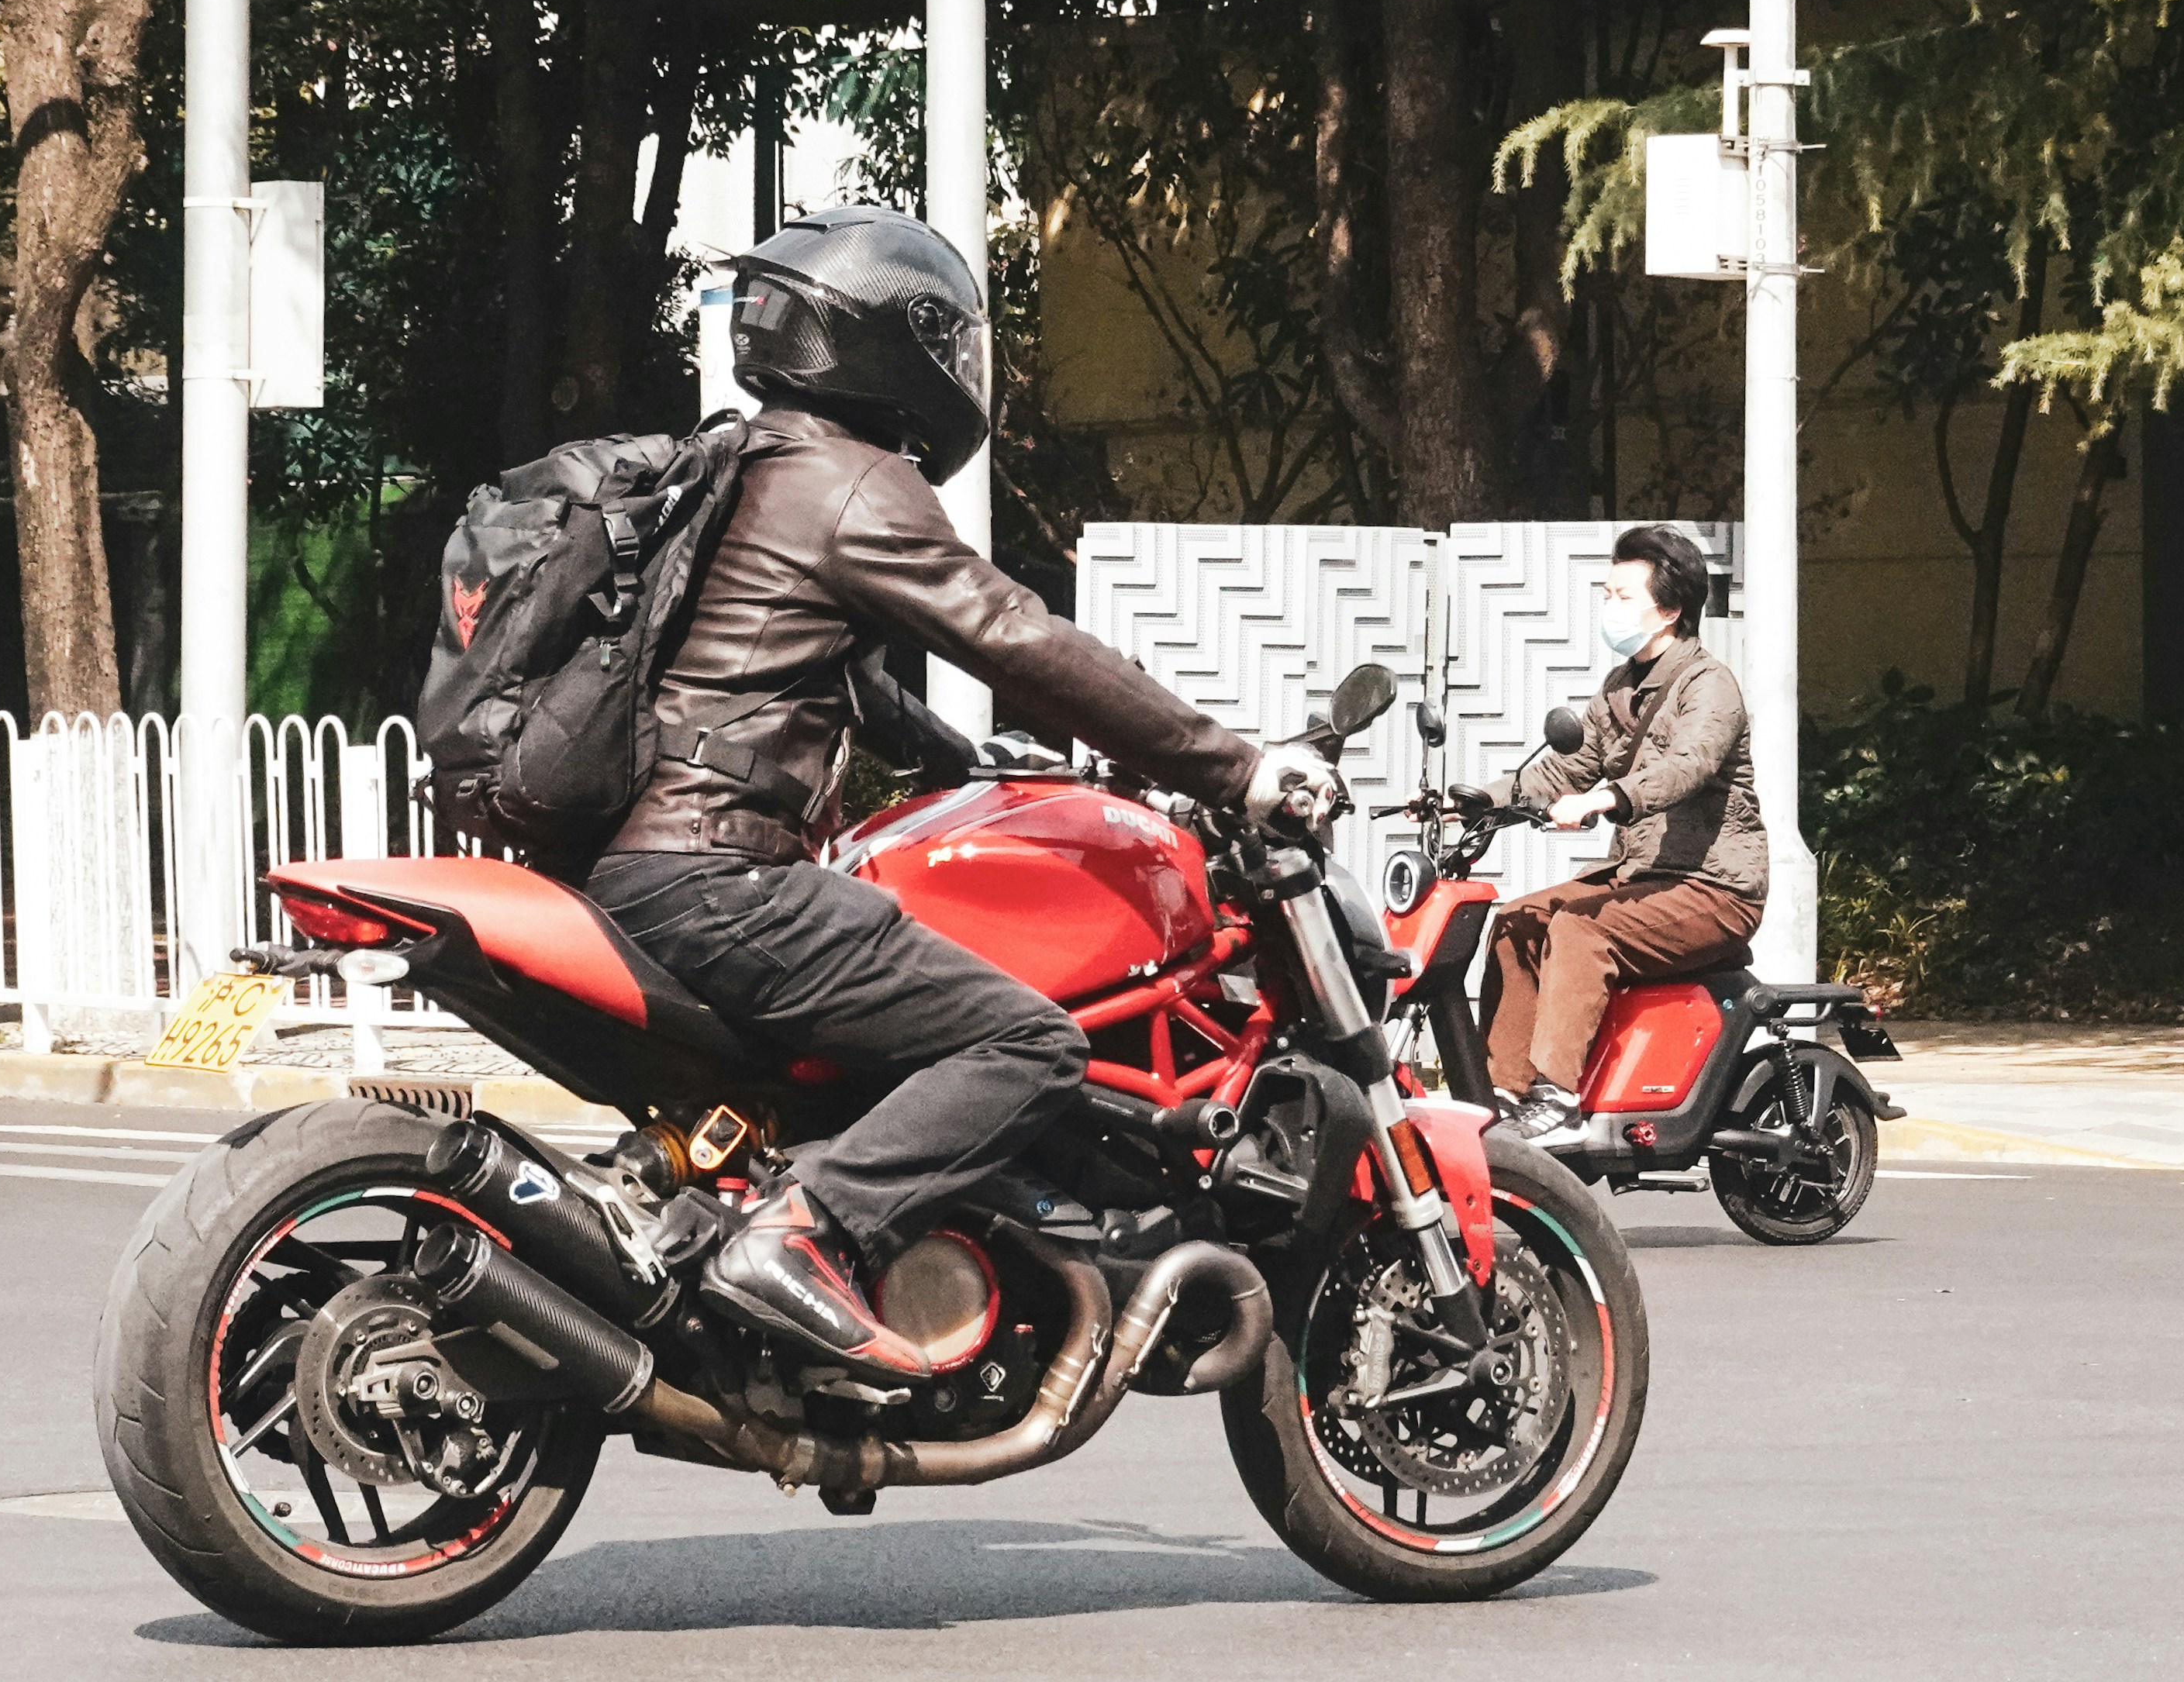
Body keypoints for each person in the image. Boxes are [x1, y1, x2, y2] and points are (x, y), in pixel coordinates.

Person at [589, 205, 1331, 1374]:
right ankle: (802, 1231)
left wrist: (965, 765)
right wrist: (1235, 765)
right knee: (1029, 1043)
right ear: (899, 341)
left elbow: (845, 682)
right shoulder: (852, 482)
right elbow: (1016, 638)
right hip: (720, 872)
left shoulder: (753, 467)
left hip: (646, 863)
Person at [1486, 524, 1770, 1146]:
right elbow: (1565, 766)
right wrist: (1477, 799)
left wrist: (1608, 798)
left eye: (1620, 595)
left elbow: (1686, 766)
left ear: (1669, 609)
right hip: (1643, 878)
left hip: (1714, 886)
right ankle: (1502, 1095)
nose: (1607, 606)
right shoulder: (1620, 687)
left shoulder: (1709, 685)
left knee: (1580, 930)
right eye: (1605, 593)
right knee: (1517, 919)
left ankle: (1557, 1100)